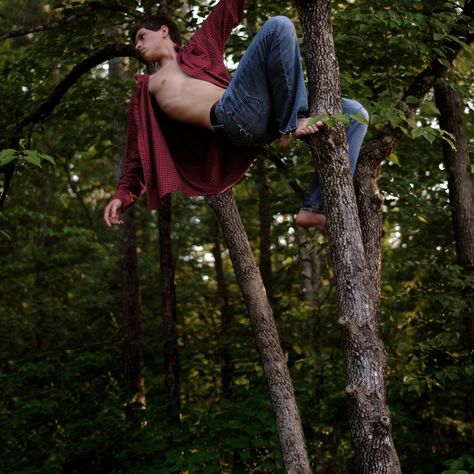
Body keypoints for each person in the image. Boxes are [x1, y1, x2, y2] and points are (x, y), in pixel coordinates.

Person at [103, 0, 368, 231]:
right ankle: (295, 121)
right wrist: (122, 197)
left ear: (163, 32)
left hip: (262, 119)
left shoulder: (198, 51)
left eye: (141, 37)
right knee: (278, 26)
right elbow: (139, 157)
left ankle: (314, 208)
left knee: (355, 114)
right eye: (135, 42)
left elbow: (228, 8)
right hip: (231, 119)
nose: (137, 45)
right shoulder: (146, 88)